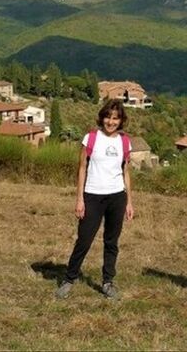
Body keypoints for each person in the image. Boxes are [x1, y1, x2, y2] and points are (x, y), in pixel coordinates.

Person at [57, 98, 135, 299]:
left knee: (112, 242)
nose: (111, 122)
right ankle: (69, 279)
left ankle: (108, 282)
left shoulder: (124, 142)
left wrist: (129, 201)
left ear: (121, 120)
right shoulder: (91, 138)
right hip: (92, 196)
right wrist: (79, 199)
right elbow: (82, 168)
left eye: (116, 118)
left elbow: (126, 172)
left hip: (117, 197)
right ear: (102, 117)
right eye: (108, 117)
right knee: (84, 239)